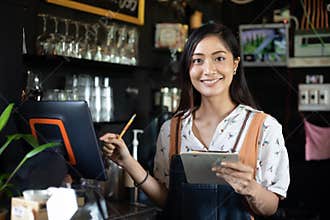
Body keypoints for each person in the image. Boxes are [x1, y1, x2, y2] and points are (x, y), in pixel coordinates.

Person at [101, 23, 290, 219]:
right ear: (188, 68)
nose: (208, 70)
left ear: (235, 65)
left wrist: (250, 187)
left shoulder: (264, 127)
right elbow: (168, 201)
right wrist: (128, 162)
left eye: (219, 58)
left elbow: (270, 207)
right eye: (198, 60)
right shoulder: (171, 129)